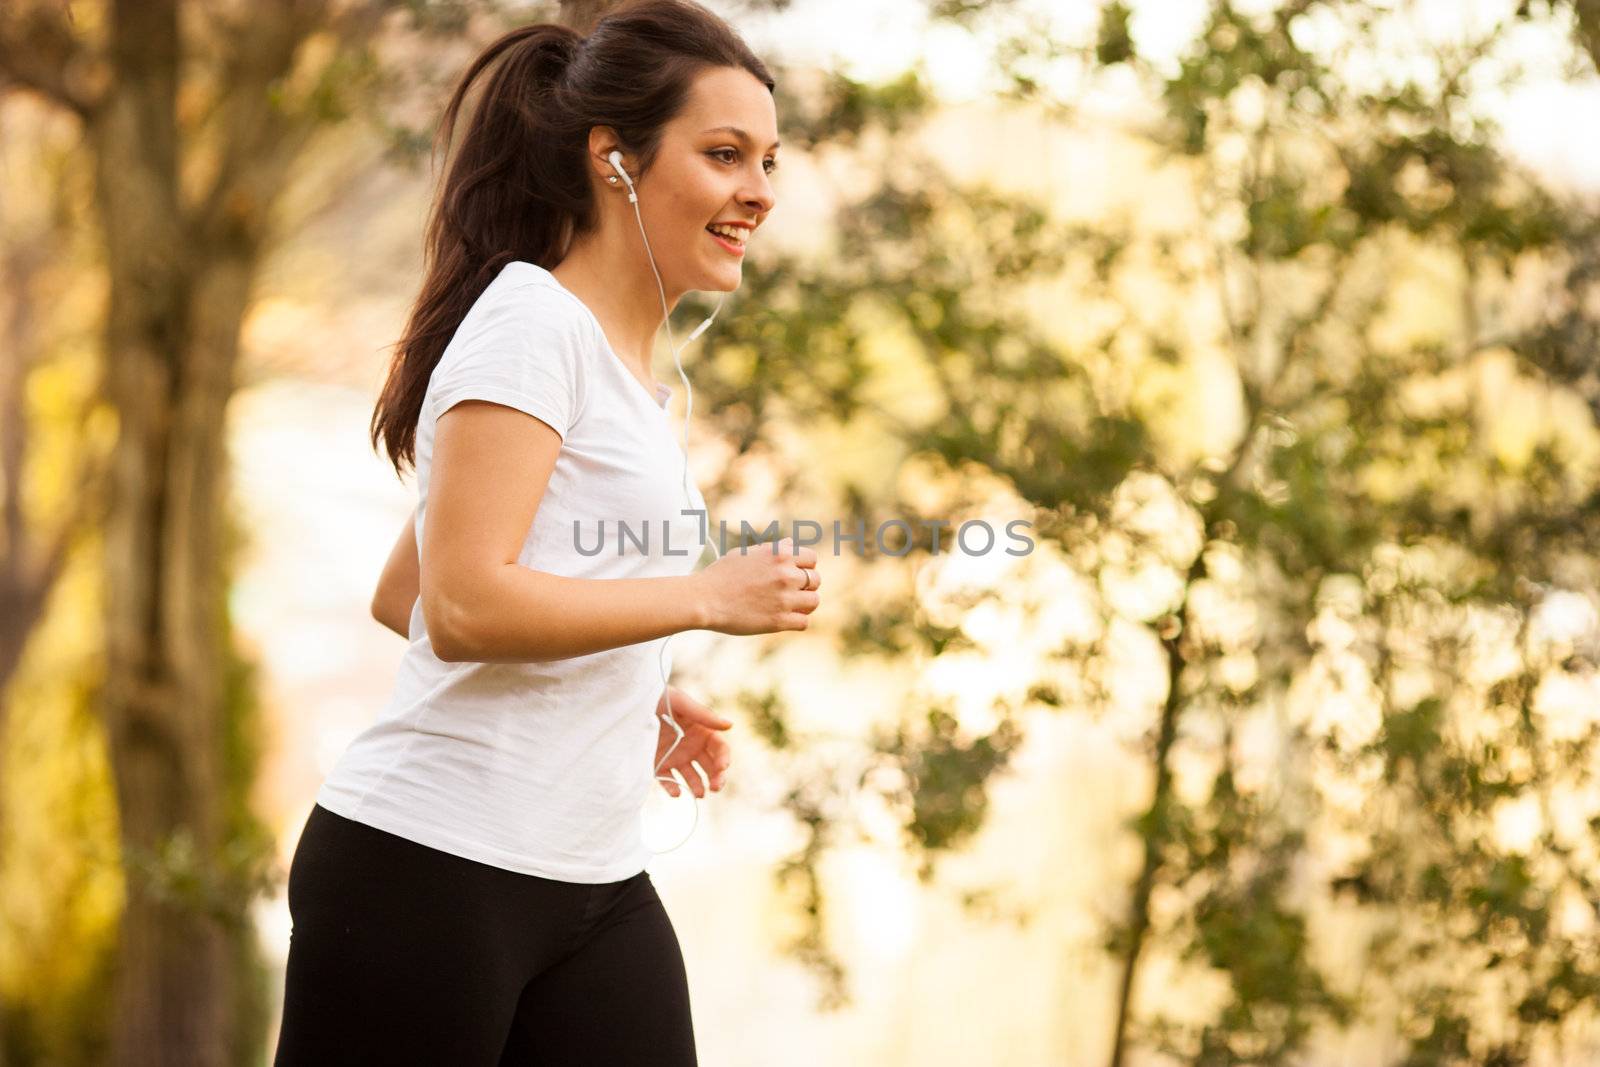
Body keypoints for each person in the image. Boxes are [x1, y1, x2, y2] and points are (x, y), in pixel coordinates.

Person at [272, 2, 822, 1062]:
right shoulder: (531, 327)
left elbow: (407, 590)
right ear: (612, 159)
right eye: (723, 154)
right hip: (428, 868)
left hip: (591, 879)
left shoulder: (624, 372)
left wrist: (630, 686)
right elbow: (462, 604)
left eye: (768, 160)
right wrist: (707, 596)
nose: (758, 190)